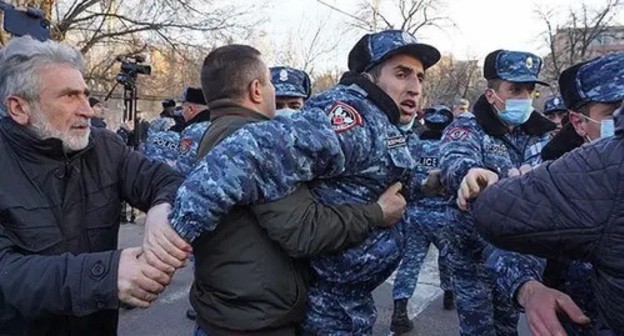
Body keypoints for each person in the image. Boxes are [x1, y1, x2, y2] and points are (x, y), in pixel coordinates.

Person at [149, 30, 441, 335]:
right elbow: (250, 152)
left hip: (352, 303)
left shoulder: (385, 121)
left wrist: (435, 181)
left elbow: (394, 173)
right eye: (402, 74)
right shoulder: (350, 118)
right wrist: (172, 239)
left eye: (419, 77)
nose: (414, 87)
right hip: (326, 308)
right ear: (370, 78)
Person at [0, 36, 188, 335]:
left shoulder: (105, 148)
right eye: (69, 96)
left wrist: (160, 210)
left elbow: (168, 180)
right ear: (19, 108)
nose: (87, 110)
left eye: (85, 95)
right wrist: (106, 276)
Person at [465, 52, 624, 336]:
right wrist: (529, 287)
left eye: (529, 91)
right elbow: (512, 230)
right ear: (578, 122)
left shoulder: (540, 139)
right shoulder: (557, 171)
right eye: (615, 111)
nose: (525, 98)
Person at [439, 49, 556, 335]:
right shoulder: (468, 126)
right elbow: (455, 160)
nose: (524, 98)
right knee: (478, 329)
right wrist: (469, 173)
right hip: (472, 254)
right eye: (515, 89)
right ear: (492, 95)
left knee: (506, 328)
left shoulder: (541, 133)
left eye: (529, 90)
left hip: (517, 252)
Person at [390, 104, 456, 333]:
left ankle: (400, 309)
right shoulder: (454, 147)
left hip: (416, 215)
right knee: (449, 258)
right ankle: (449, 292)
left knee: (410, 263)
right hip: (445, 214)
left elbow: (403, 177)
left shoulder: (414, 145)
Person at [174, 87, 210, 176]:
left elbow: (183, 168)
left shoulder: (192, 131)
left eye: (183, 109)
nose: (182, 113)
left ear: (191, 109)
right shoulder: (219, 124)